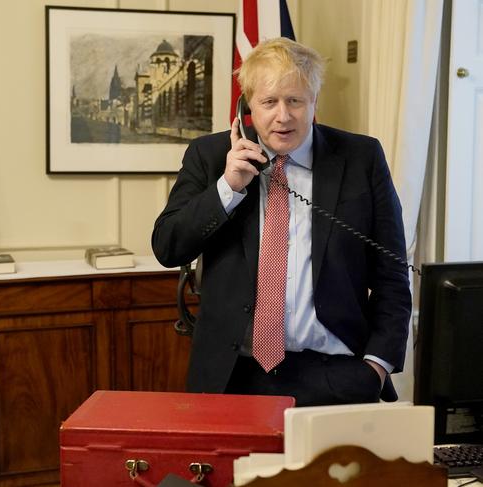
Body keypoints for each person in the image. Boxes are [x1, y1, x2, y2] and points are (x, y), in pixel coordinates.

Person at [151, 37, 411, 406]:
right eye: (269, 102)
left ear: (314, 102)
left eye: (295, 101)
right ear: (247, 107)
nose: (283, 116)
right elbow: (168, 246)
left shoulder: (360, 157)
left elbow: (392, 273)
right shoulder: (209, 157)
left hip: (338, 373)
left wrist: (377, 365)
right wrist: (228, 187)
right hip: (233, 374)